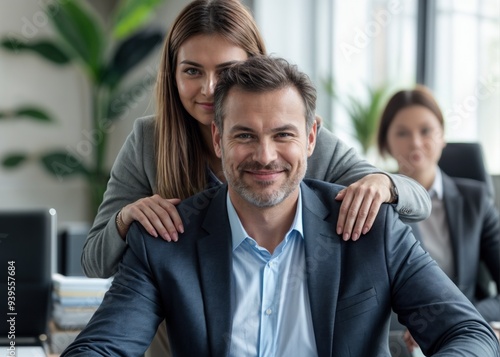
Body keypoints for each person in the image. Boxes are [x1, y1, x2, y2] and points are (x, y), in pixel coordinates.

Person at [57, 56, 499, 357]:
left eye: (282, 135)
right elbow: (89, 356)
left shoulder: (372, 228)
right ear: (218, 138)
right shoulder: (167, 240)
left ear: (310, 138)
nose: (264, 156)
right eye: (244, 135)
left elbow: (474, 340)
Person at [82, 0, 431, 280]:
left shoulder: (305, 144)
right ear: (172, 75)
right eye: (192, 71)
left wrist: (384, 183)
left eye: (226, 71)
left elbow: (418, 202)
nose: (209, 88)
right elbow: (94, 263)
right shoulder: (149, 141)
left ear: (255, 67)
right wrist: (124, 219)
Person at [377, 85, 500, 353]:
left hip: (466, 335)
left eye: (426, 130)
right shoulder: (375, 204)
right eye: (402, 133)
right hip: (401, 346)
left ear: (443, 136)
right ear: (386, 143)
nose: (416, 142)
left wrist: (463, 317)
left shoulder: (476, 200)